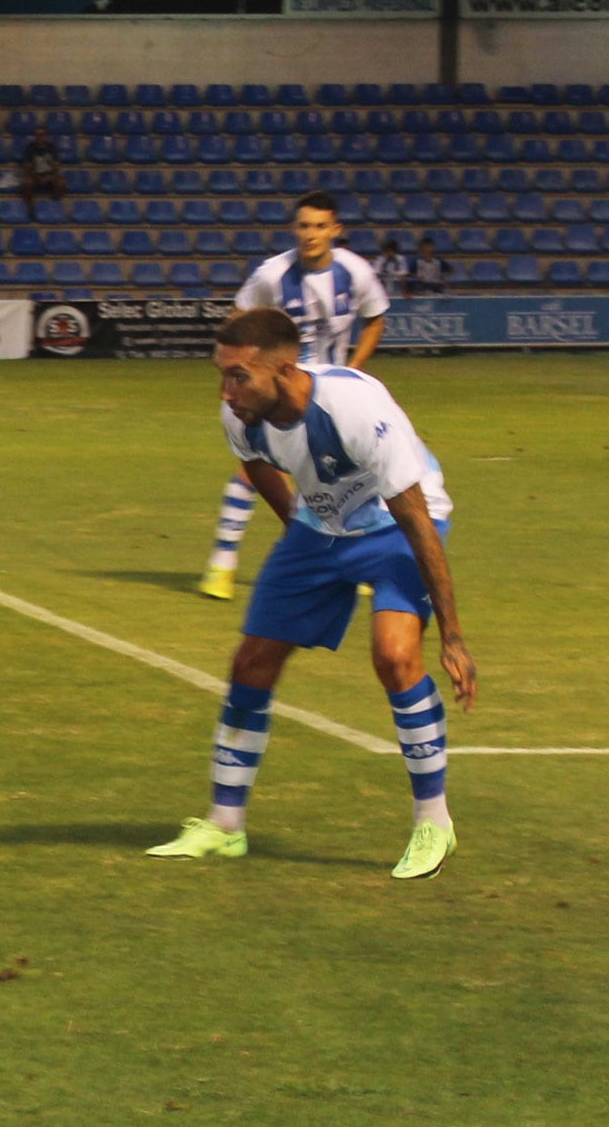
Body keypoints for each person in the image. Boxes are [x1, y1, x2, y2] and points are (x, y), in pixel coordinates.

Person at [148, 307, 475, 880]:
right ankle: (225, 825)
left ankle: (434, 823)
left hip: (398, 527)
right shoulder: (241, 415)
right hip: (320, 532)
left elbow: (418, 520)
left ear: (284, 369)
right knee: (251, 661)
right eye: (221, 375)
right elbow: (258, 465)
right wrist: (298, 536)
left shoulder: (355, 411)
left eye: (239, 376)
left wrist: (452, 635)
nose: (227, 391)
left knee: (396, 656)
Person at [201, 191, 388, 601]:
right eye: (304, 225)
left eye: (320, 226)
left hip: (328, 397)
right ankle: (222, 563)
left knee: (345, 477)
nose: (311, 234)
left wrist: (355, 368)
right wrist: (232, 377)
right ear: (295, 228)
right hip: (276, 389)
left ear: (336, 230)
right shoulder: (272, 274)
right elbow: (237, 318)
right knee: (253, 468)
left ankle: (349, 561)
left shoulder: (355, 272)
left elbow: (375, 318)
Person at [19, 127, 64, 209]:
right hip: (35, 176)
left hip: (50, 176)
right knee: (26, 183)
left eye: (42, 134)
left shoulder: (52, 147)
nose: (40, 137)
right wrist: (38, 177)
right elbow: (27, 167)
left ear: (46, 136)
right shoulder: (30, 148)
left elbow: (57, 166)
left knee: (61, 183)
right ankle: (31, 207)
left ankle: (54, 205)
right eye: (37, 135)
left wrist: (50, 177)